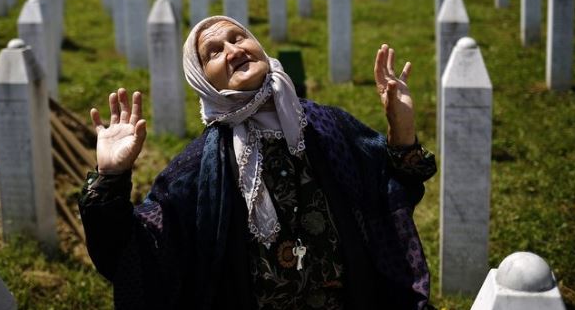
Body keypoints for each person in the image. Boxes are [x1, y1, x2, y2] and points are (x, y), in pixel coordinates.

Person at [79, 16, 436, 309]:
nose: (233, 50)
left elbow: (389, 192)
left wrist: (400, 126)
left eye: (238, 38)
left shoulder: (326, 126)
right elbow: (137, 254)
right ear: (204, 81)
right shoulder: (200, 167)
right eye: (214, 52)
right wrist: (111, 177)